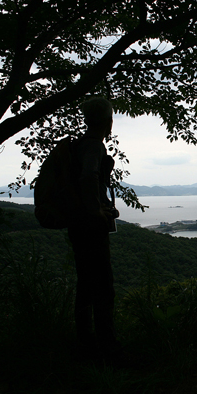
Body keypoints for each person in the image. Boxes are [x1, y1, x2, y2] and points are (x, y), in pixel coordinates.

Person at [68, 97, 121, 362]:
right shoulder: (93, 146)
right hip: (90, 227)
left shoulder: (78, 145)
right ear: (108, 121)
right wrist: (96, 210)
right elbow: (88, 177)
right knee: (103, 287)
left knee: (86, 285)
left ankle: (86, 345)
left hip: (78, 225)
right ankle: (107, 350)